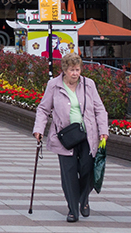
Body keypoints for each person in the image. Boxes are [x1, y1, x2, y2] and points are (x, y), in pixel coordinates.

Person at [33, 53, 109, 222]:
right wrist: (38, 129)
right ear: (64, 70)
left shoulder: (89, 84)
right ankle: (73, 209)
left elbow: (99, 109)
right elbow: (43, 109)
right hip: (65, 136)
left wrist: (103, 130)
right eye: (72, 70)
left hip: (87, 134)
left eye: (78, 70)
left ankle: (83, 198)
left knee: (88, 169)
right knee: (68, 174)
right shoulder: (54, 85)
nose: (75, 73)